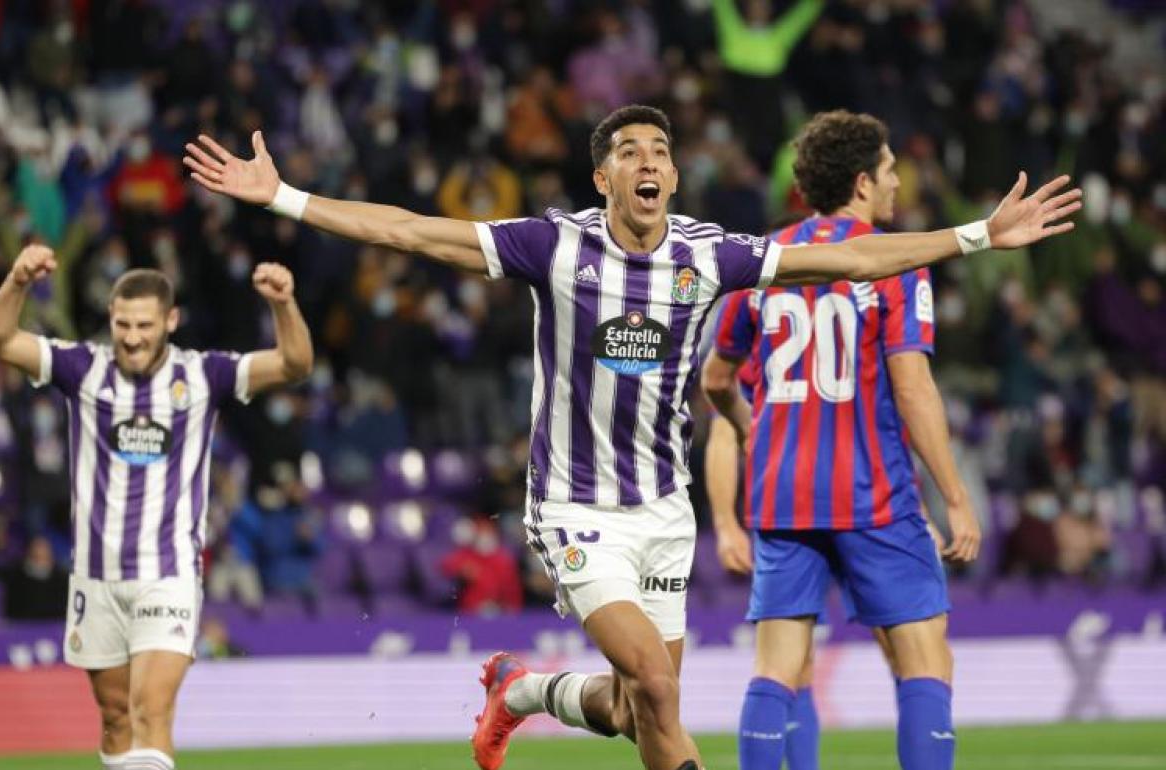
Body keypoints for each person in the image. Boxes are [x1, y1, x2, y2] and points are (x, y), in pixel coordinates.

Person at [182, 105, 1079, 770]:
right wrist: (285, 197)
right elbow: (414, 232)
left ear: (673, 179)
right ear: (603, 180)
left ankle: (521, 692)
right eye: (628, 152)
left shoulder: (708, 254)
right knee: (653, 678)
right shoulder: (554, 247)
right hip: (574, 507)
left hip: (662, 511)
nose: (648, 161)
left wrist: (976, 236)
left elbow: (850, 257)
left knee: (639, 706)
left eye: (660, 151)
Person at [701, 111, 982, 770]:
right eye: (889, 171)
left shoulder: (765, 260)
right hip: (870, 489)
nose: (897, 183)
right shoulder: (894, 261)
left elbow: (716, 379)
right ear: (862, 183)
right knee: (925, 660)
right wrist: (954, 495)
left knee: (777, 669)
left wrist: (748, 427)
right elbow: (912, 388)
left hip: (780, 493)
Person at [0, 245, 314, 770]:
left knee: (149, 711)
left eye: (144, 326)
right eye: (123, 325)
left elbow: (294, 364)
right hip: (96, 579)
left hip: (168, 575)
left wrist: (284, 304)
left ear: (170, 321)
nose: (132, 337)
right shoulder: (82, 368)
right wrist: (17, 281)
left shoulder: (205, 375)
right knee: (115, 718)